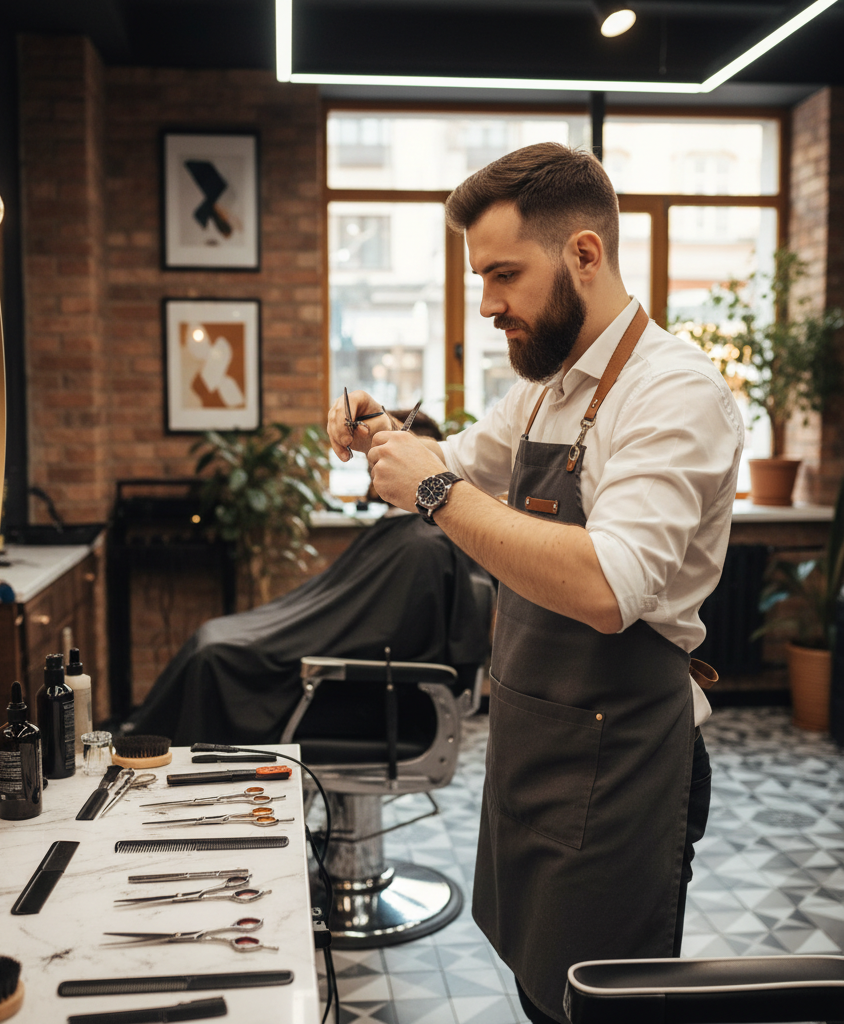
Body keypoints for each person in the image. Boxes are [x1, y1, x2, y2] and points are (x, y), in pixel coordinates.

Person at [327, 142, 743, 1024]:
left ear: (584, 255)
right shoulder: (545, 391)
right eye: (482, 278)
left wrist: (433, 490)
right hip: (535, 741)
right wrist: (387, 435)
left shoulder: (674, 393)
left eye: (505, 274)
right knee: (533, 989)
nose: (487, 305)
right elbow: (455, 465)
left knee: (594, 1006)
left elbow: (607, 583)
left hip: (627, 760)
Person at [121, 411, 494, 746]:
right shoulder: (408, 534)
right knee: (211, 638)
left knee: (215, 656)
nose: (373, 469)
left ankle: (145, 759)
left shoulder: (422, 546)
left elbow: (379, 632)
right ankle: (139, 752)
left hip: (367, 697)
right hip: (345, 668)